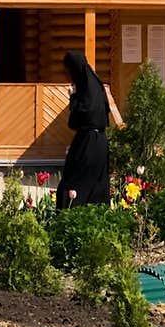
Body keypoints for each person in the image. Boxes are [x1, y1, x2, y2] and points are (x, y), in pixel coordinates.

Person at [55, 49, 110, 210]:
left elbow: (78, 120)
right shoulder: (95, 85)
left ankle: (70, 221)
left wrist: (73, 96)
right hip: (100, 142)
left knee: (72, 184)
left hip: (87, 143)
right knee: (96, 187)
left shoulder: (85, 91)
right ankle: (97, 222)